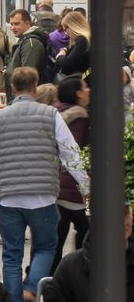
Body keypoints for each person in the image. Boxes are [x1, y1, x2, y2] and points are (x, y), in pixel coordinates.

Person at [0, 65, 86, 302]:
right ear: (35, 88)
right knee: (46, 246)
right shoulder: (51, 115)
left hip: (9, 195)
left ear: (13, 88)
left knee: (12, 255)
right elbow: (70, 153)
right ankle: (32, 288)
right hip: (43, 194)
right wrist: (85, 186)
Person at [53, 76, 91, 260]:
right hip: (72, 187)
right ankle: (78, 272)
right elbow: (75, 152)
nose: (88, 90)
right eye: (85, 87)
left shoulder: (54, 113)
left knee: (56, 238)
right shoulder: (80, 116)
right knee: (85, 233)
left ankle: (47, 279)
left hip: (54, 184)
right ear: (77, 93)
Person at [6, 8, 52, 100]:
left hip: (25, 100)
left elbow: (27, 78)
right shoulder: (26, 40)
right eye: (11, 24)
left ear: (27, 23)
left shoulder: (31, 43)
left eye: (17, 24)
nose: (13, 27)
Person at [56, 10, 92, 82]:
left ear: (72, 26)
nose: (66, 33)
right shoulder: (87, 39)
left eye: (65, 30)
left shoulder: (82, 40)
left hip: (83, 85)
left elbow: (67, 64)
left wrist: (60, 56)